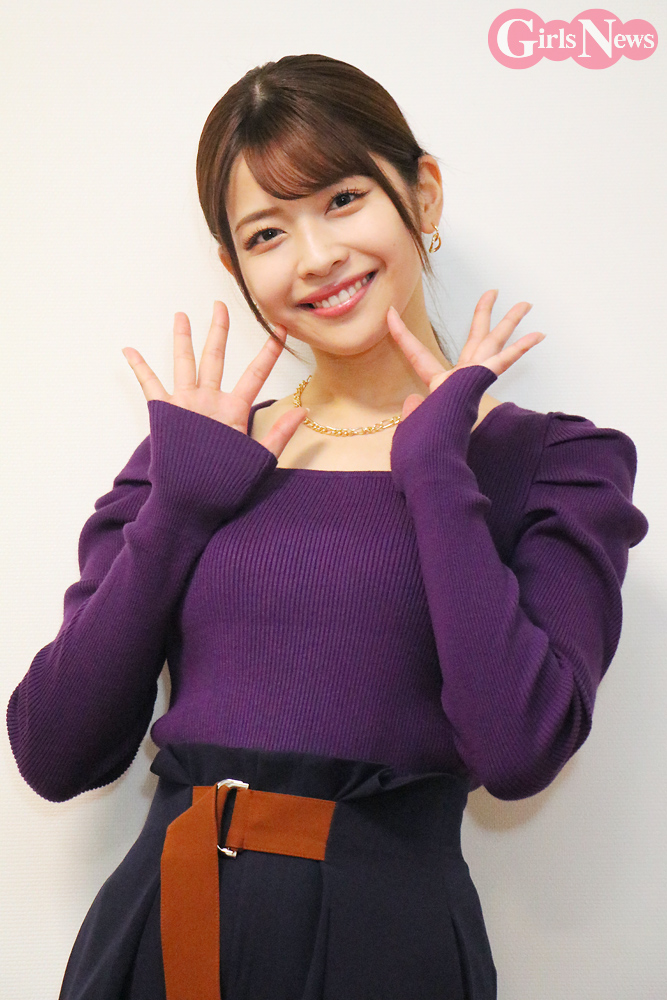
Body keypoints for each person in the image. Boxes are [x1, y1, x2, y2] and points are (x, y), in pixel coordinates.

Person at [6, 54, 649, 1000]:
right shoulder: (195, 458)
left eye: (343, 199)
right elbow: (56, 752)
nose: (314, 258)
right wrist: (179, 508)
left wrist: (435, 470)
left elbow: (518, 752)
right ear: (234, 266)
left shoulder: (554, 462)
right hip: (159, 939)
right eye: (267, 232)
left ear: (422, 194)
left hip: (386, 953)